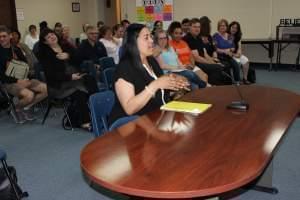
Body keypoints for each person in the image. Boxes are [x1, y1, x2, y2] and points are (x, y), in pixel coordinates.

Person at [109, 23, 190, 125]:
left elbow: (160, 90)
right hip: (129, 125)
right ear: (133, 42)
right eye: (146, 38)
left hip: (153, 118)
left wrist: (175, 83)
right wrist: (155, 85)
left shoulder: (151, 60)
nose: (151, 41)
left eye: (151, 37)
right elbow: (129, 108)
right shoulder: (124, 68)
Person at [38, 28, 98, 130]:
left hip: (75, 77)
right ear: (45, 42)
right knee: (80, 93)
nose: (52, 37)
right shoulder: (45, 55)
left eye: (52, 34)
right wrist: (70, 77)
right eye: (48, 37)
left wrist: (68, 56)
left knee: (91, 81)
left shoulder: (65, 46)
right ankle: (85, 122)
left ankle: (97, 114)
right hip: (59, 85)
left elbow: (79, 57)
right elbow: (52, 76)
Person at [0, 25, 47, 123]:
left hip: (23, 78)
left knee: (47, 90)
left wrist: (26, 79)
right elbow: (2, 76)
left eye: (4, 36)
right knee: (29, 95)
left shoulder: (16, 49)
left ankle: (25, 107)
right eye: (0, 37)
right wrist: (17, 80)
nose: (2, 39)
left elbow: (26, 65)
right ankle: (15, 109)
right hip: (8, 83)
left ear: (10, 36)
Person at [183, 18, 225, 85]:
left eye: (199, 27)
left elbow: (205, 54)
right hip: (195, 63)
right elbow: (197, 58)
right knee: (217, 67)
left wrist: (214, 62)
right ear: (189, 27)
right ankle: (212, 88)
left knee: (219, 65)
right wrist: (211, 63)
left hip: (202, 61)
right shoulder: (188, 38)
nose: (197, 29)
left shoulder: (199, 38)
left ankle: (214, 86)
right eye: (195, 27)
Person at [213, 19, 241, 83]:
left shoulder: (230, 36)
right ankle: (229, 83)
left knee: (236, 65)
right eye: (221, 26)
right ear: (218, 27)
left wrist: (230, 50)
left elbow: (233, 47)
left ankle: (237, 82)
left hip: (229, 56)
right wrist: (224, 51)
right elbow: (215, 49)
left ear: (227, 27)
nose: (223, 27)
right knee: (227, 66)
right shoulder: (215, 36)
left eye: (224, 25)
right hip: (220, 56)